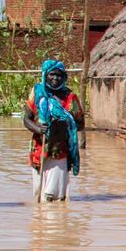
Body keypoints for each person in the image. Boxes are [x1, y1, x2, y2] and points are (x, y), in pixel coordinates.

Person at [23, 59, 83, 202]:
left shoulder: (69, 97)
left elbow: (80, 123)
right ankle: (40, 223)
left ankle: (54, 223)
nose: (56, 78)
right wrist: (38, 129)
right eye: (52, 75)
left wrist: (66, 126)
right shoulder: (37, 92)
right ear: (45, 75)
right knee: (38, 192)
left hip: (59, 150)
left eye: (59, 75)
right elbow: (26, 119)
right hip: (39, 148)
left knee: (52, 195)